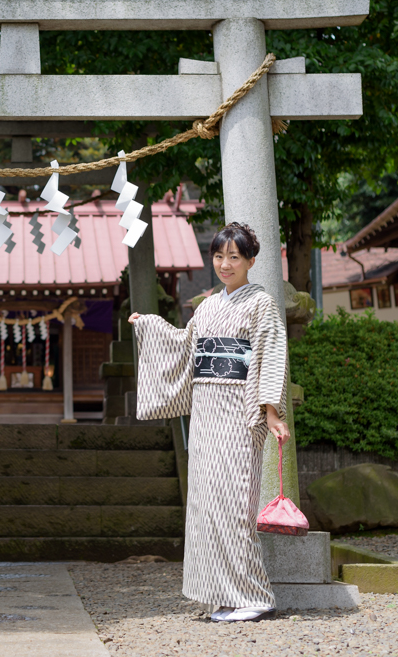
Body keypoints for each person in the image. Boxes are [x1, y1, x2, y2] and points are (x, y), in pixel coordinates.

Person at [129, 221, 290, 623]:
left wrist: (271, 411)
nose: (224, 264)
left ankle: (255, 595)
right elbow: (186, 346)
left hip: (239, 411)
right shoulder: (207, 306)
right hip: (206, 413)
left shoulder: (261, 303)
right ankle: (225, 594)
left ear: (251, 260)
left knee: (236, 506)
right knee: (207, 506)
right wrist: (148, 325)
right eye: (219, 256)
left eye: (234, 257)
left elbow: (270, 353)